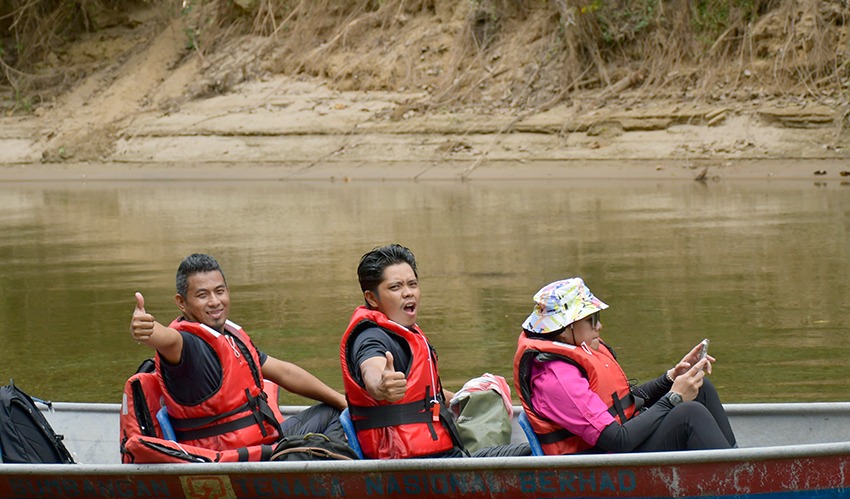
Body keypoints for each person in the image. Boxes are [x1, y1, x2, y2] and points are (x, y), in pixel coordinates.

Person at [128, 253, 347, 459]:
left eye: (220, 291)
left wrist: (343, 401)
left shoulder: (229, 337)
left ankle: (334, 470)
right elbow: (166, 338)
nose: (215, 301)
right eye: (202, 295)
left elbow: (285, 373)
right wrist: (147, 330)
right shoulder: (187, 345)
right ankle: (335, 476)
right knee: (326, 436)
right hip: (231, 459)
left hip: (262, 445)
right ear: (181, 302)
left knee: (332, 410)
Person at [339, 243, 530, 459]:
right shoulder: (370, 338)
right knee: (534, 453)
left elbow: (423, 396)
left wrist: (462, 398)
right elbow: (372, 370)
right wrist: (381, 387)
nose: (408, 293)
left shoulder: (403, 332)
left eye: (412, 284)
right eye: (395, 287)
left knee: (489, 393)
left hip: (439, 454)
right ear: (372, 298)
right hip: (409, 462)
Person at [514, 278, 737, 455]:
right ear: (565, 329)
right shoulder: (557, 381)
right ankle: (738, 481)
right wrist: (674, 398)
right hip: (602, 464)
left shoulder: (578, 349)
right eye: (591, 319)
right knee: (690, 413)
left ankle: (739, 467)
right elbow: (618, 440)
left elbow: (624, 404)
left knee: (701, 389)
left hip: (620, 445)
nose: (599, 326)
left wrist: (671, 378)